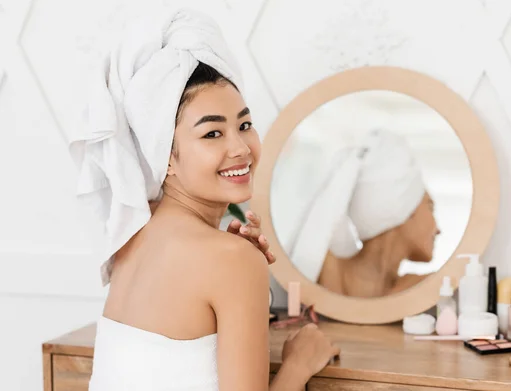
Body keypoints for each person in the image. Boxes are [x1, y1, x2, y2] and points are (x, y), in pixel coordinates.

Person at [69, 7, 339, 391]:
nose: (241, 147)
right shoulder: (231, 259)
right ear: (165, 155)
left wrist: (237, 268)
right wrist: (300, 362)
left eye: (244, 125)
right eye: (212, 134)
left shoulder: (134, 233)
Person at [286, 129, 440, 297]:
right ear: (407, 211)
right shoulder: (325, 269)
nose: (439, 229)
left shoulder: (423, 287)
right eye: (430, 207)